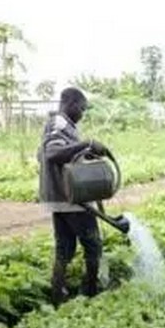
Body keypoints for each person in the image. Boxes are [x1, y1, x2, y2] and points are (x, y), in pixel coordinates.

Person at [37, 87, 110, 305]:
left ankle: (58, 295)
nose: (82, 114)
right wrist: (86, 143)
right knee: (93, 245)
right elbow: (52, 154)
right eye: (82, 109)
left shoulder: (62, 125)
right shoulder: (59, 123)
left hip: (61, 197)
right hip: (71, 197)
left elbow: (58, 155)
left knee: (65, 248)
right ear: (71, 104)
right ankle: (90, 292)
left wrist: (84, 153)